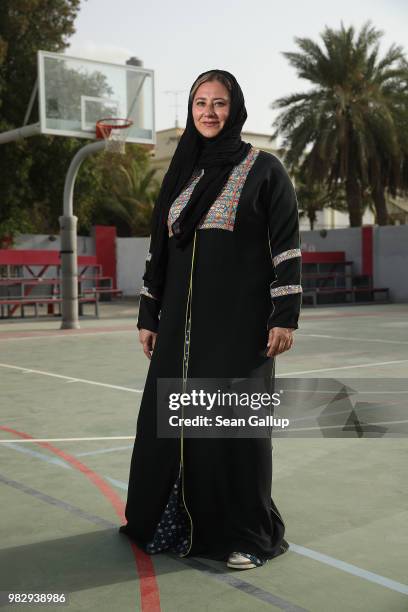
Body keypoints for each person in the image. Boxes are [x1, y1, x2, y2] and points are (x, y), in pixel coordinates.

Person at [119, 69, 302, 570]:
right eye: (201, 102)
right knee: (173, 429)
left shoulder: (265, 170)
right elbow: (160, 252)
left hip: (240, 329)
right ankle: (167, 522)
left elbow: (285, 247)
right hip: (178, 330)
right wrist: (148, 314)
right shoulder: (184, 172)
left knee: (234, 432)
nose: (208, 112)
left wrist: (284, 316)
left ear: (235, 108)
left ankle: (246, 536)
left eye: (219, 103)